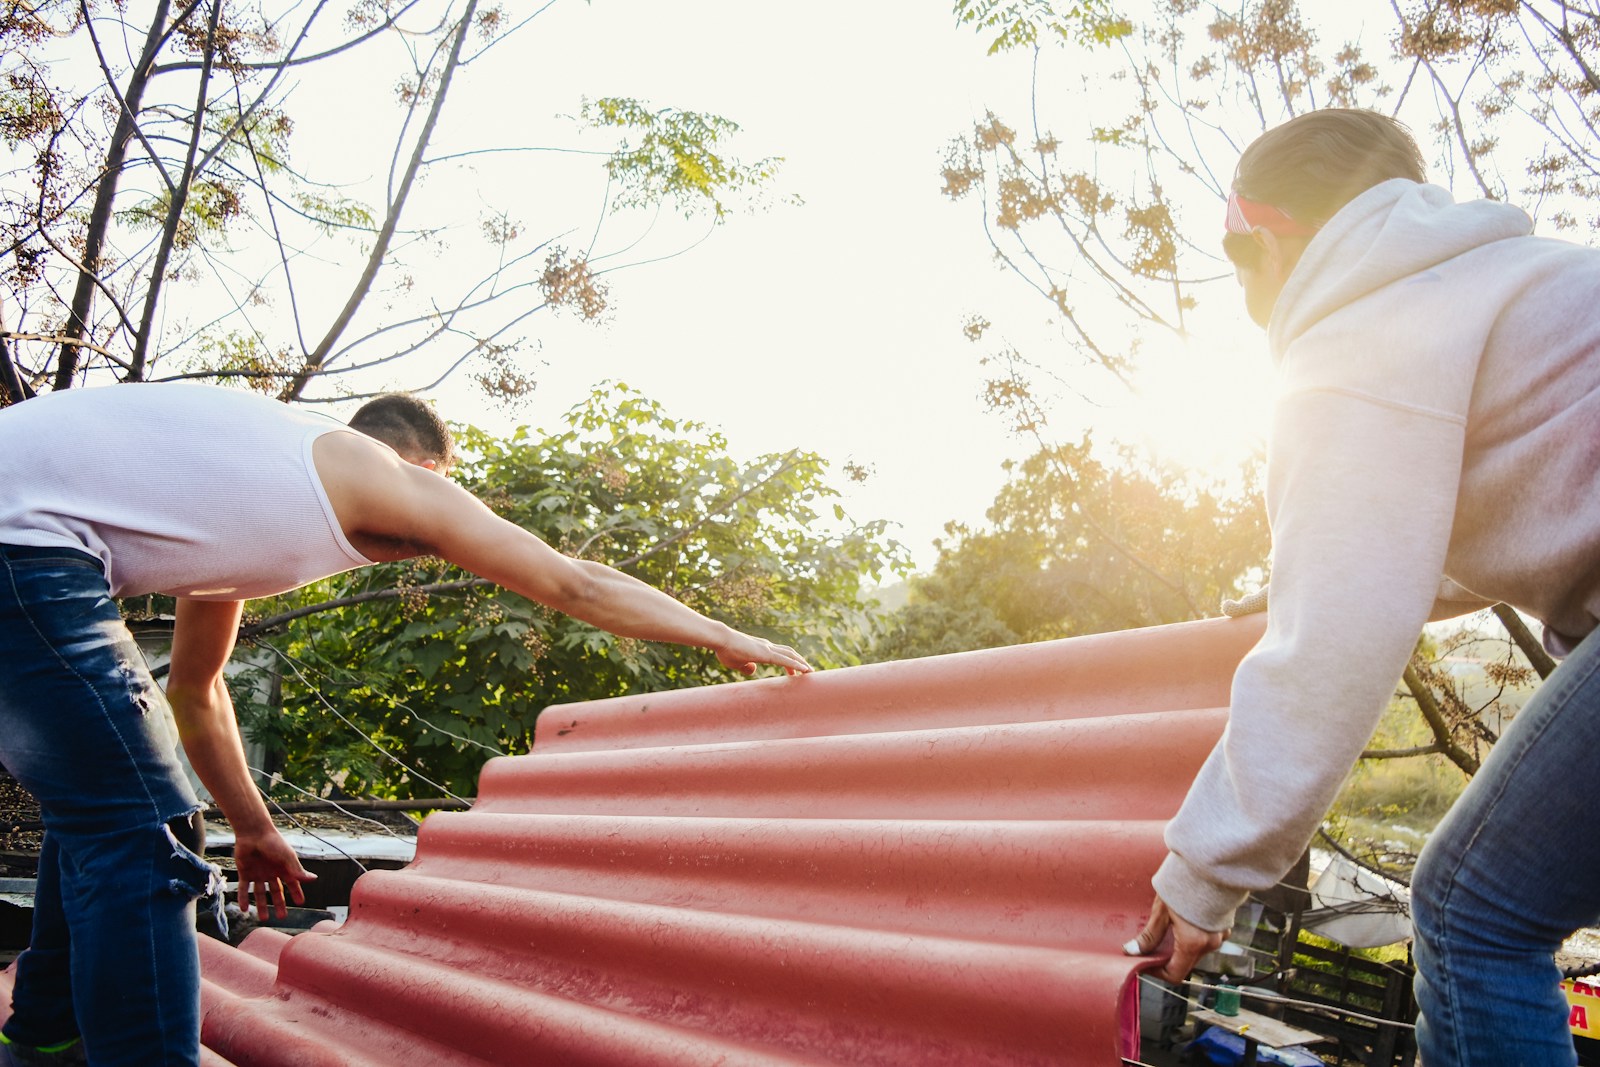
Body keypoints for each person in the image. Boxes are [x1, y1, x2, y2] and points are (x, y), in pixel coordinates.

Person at [0, 382, 812, 1067]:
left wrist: (253, 826)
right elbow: (576, 585)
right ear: (423, 467)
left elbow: (198, 689)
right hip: (23, 540)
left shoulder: (236, 500)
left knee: (107, 783)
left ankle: (43, 1034)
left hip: (32, 531)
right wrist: (725, 633)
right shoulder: (380, 475)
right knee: (146, 820)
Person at [1125, 108, 1600, 1065]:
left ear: (1267, 237)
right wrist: (1315, 576)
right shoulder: (1502, 280)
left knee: (1472, 907)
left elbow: (1332, 647)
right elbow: (1529, 509)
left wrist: (1203, 872)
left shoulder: (1354, 333)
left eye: (1236, 263)